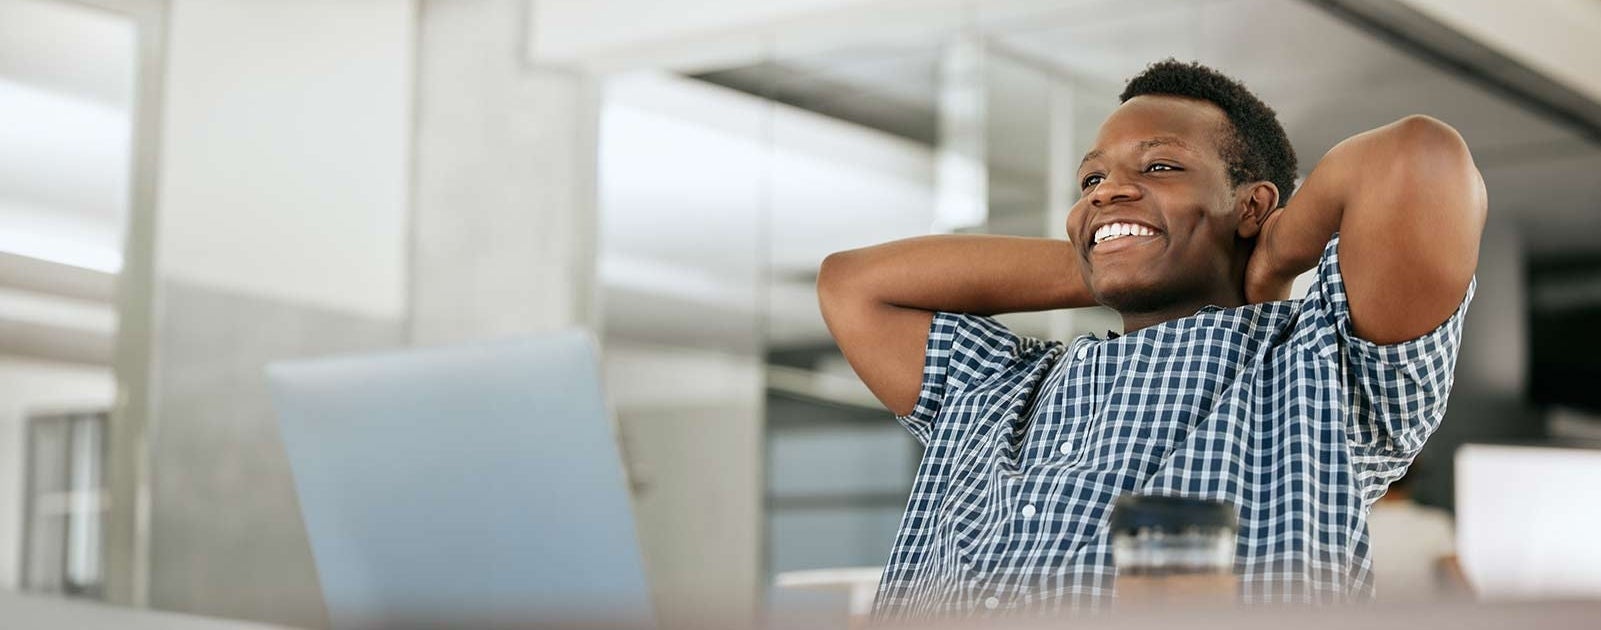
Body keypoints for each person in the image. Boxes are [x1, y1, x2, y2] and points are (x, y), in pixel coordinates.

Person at [816, 59, 1485, 621]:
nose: (1107, 193)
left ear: (1250, 206)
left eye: (1160, 167)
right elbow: (853, 285)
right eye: (1091, 181)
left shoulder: (1315, 369)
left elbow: (1417, 158)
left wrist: (1275, 253)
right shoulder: (1000, 387)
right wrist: (1110, 259)